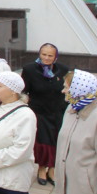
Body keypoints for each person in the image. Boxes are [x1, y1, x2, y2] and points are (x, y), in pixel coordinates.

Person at [22, 43, 70, 185]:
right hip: (39, 111)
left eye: (50, 55)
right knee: (43, 141)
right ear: (39, 53)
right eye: (44, 54)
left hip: (58, 111)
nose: (46, 58)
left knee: (56, 140)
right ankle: (42, 168)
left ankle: (52, 169)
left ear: (55, 57)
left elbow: (67, 88)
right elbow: (24, 91)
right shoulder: (30, 69)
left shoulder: (63, 69)